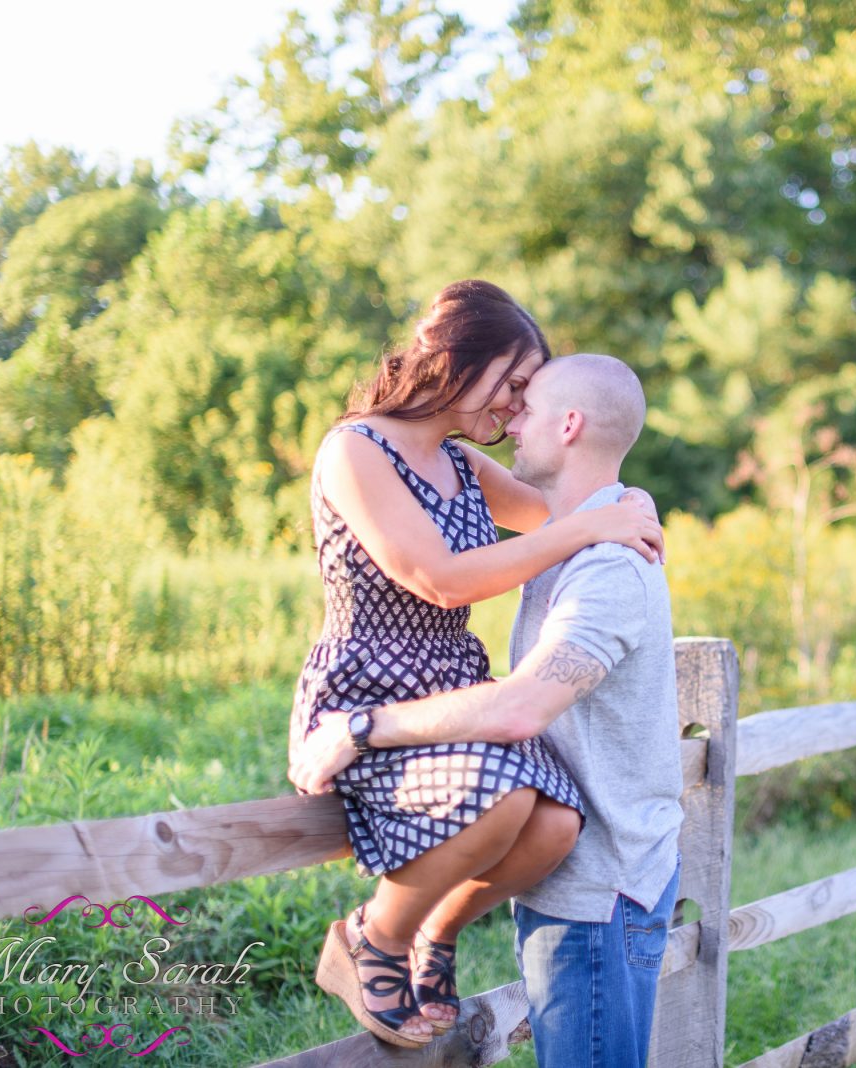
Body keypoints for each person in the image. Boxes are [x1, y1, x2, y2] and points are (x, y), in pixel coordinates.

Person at [287, 281, 665, 1048]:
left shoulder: (461, 462)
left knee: (557, 822)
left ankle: (435, 933)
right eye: (512, 384)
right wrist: (593, 526)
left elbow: (560, 513)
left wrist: (628, 508)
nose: (515, 408)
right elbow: (438, 578)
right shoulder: (356, 448)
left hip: (452, 691)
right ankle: (371, 939)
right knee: (503, 799)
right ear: (458, 361)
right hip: (368, 688)